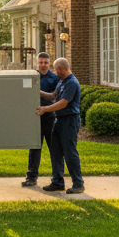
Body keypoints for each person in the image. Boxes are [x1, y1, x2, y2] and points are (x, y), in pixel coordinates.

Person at [36, 57, 84, 194]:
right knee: (56, 152)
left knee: (69, 152)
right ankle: (57, 182)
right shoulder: (62, 81)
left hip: (70, 121)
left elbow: (63, 103)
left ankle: (78, 183)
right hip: (59, 120)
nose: (55, 72)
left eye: (57, 70)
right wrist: (36, 91)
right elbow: (52, 96)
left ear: (62, 69)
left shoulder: (72, 83)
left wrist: (45, 109)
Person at [22, 53, 59, 187]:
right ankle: (31, 178)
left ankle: (57, 179)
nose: (43, 65)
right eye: (41, 62)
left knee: (54, 149)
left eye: (46, 62)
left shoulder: (55, 79)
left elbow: (53, 98)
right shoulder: (32, 77)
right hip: (35, 118)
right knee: (34, 148)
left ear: (49, 64)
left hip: (49, 118)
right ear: (37, 63)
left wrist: (36, 91)